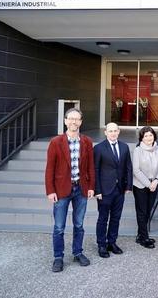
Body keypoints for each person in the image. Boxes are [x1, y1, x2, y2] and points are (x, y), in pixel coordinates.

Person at [45, 108, 95, 272]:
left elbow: (90, 167)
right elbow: (49, 169)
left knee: (79, 224)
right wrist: (50, 190)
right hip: (61, 190)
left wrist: (91, 187)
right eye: (71, 119)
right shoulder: (55, 142)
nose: (74, 122)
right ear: (65, 121)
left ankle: (77, 252)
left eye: (77, 119)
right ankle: (58, 257)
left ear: (81, 122)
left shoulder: (87, 141)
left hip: (81, 188)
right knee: (59, 227)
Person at [94, 122, 133, 259]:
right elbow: (96, 170)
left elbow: (128, 167)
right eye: (110, 131)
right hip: (104, 190)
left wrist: (128, 186)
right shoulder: (98, 148)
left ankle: (112, 242)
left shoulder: (124, 147)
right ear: (105, 132)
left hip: (119, 189)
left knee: (116, 218)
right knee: (103, 219)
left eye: (115, 130)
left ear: (119, 131)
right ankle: (101, 244)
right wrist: (97, 190)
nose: (113, 133)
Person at [132, 126, 158, 249]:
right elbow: (136, 170)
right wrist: (148, 184)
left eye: (150, 135)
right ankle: (144, 238)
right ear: (142, 138)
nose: (148, 137)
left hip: (154, 184)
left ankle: (141, 234)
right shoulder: (138, 150)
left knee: (148, 211)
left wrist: (156, 181)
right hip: (141, 185)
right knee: (142, 212)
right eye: (146, 136)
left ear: (154, 136)